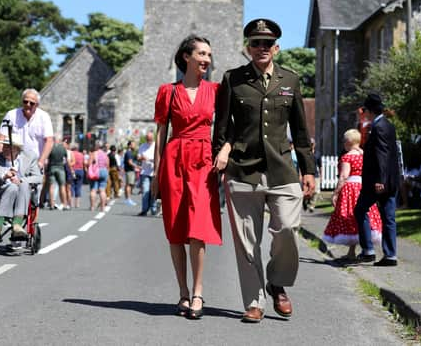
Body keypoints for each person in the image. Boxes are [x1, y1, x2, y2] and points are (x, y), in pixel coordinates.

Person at [214, 18, 316, 323]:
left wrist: (308, 169)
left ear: (277, 47)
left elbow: (300, 129)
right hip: (243, 170)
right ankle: (254, 302)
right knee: (248, 242)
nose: (262, 48)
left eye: (267, 43)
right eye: (256, 42)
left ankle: (277, 282)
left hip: (283, 169)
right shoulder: (233, 79)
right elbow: (221, 127)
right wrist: (220, 156)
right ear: (248, 47)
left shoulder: (290, 80)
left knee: (287, 228)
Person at [152, 35, 222, 320]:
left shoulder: (216, 90)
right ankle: (182, 291)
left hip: (203, 162)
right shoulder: (167, 92)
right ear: (186, 57)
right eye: (201, 54)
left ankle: (198, 292)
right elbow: (160, 134)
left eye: (208, 55)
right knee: (176, 229)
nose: (206, 59)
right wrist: (157, 173)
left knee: (198, 228)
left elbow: (227, 126)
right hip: (174, 159)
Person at [353, 93, 400, 266]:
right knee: (388, 217)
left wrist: (380, 179)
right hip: (390, 180)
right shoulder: (388, 125)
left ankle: (368, 250)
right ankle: (390, 255)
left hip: (377, 181)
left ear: (370, 110)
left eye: (365, 110)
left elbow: (382, 155)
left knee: (360, 210)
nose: (364, 113)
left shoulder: (378, 126)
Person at [322, 129, 382, 262]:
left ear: (349, 141)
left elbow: (344, 176)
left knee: (349, 217)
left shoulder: (347, 157)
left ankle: (353, 252)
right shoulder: (365, 155)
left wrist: (335, 193)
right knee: (363, 218)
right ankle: (359, 250)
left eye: (344, 140)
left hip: (351, 189)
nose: (343, 143)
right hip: (364, 187)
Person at [0, 88, 54, 206]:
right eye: (25, 102)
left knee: (35, 194)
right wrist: (1, 159)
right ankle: (12, 217)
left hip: (34, 162)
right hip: (14, 160)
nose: (28, 105)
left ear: (37, 105)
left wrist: (41, 161)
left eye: (31, 103)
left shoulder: (44, 117)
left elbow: (49, 141)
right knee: (12, 189)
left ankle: (32, 222)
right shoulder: (11, 115)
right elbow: (1, 138)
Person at [0, 133, 42, 240]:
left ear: (17, 149)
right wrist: (4, 176)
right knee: (12, 187)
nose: (4, 148)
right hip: (1, 194)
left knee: (23, 185)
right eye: (4, 146)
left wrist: (21, 180)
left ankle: (17, 225)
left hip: (22, 195)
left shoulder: (29, 157)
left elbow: (38, 177)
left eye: (8, 146)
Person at [137, 130, 157, 216]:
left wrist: (152, 160)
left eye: (150, 138)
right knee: (145, 191)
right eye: (147, 138)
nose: (149, 140)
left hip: (154, 172)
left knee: (153, 191)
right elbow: (138, 157)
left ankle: (153, 209)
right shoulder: (142, 146)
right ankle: (144, 210)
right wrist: (142, 157)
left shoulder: (156, 145)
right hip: (145, 172)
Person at [47, 137, 68, 210]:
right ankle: (64, 204)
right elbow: (66, 158)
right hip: (60, 167)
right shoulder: (62, 148)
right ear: (59, 140)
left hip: (52, 167)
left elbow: (47, 157)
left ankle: (52, 204)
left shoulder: (51, 147)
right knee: (62, 186)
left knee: (51, 186)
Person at [87, 141, 109, 211]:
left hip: (96, 172)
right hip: (104, 171)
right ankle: (103, 207)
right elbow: (107, 165)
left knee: (93, 190)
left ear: (96, 146)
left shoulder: (93, 153)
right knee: (102, 190)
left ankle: (92, 207)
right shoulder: (105, 154)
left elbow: (89, 164)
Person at [69, 142, 85, 209]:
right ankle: (77, 204)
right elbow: (84, 163)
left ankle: (71, 203)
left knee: (71, 186)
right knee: (78, 187)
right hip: (80, 170)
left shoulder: (70, 154)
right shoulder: (81, 154)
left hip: (72, 170)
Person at [123, 140, 137, 206]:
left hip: (128, 170)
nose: (135, 146)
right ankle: (128, 199)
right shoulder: (129, 152)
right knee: (129, 185)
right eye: (133, 144)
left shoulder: (129, 152)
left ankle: (127, 199)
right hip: (130, 171)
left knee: (128, 185)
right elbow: (130, 162)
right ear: (130, 145)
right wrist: (138, 166)